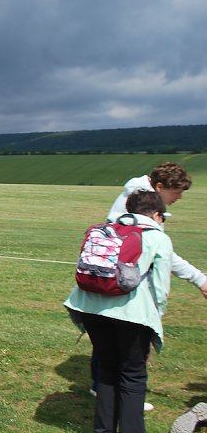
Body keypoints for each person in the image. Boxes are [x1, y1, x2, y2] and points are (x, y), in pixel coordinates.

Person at [65, 191, 172, 433]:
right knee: (133, 376)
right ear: (156, 215)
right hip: (133, 314)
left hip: (91, 308)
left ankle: (103, 429)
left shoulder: (105, 229)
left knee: (107, 369)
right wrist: (157, 316)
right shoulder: (157, 238)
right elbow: (161, 287)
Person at [107, 162, 206, 299]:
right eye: (176, 192)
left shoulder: (135, 196)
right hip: (124, 289)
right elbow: (162, 253)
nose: (179, 197)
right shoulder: (145, 208)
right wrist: (200, 280)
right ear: (159, 187)